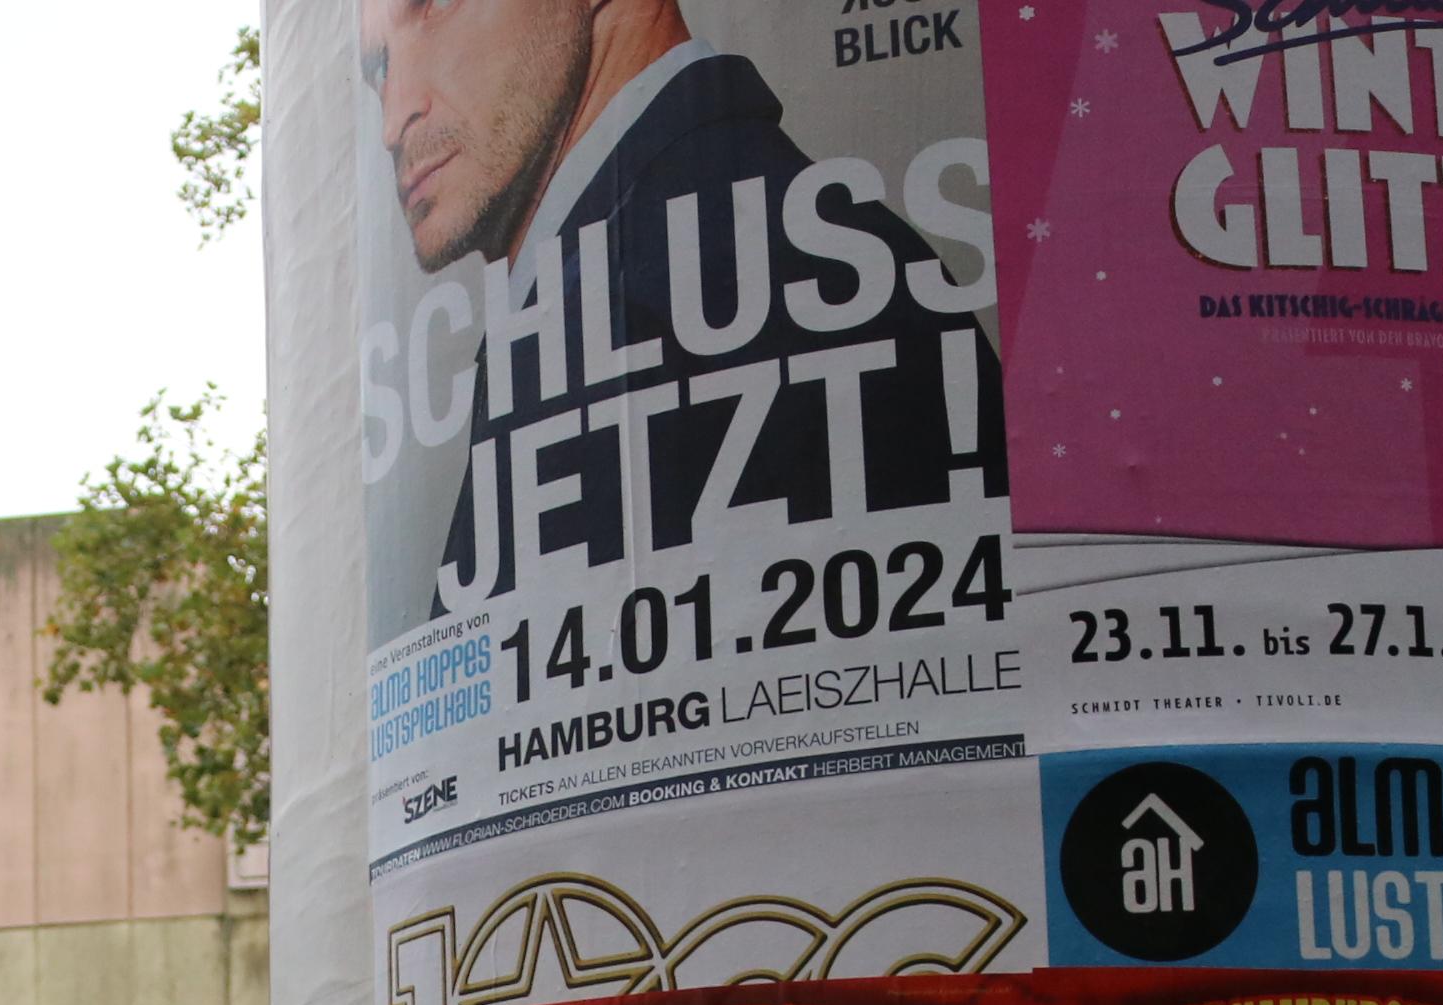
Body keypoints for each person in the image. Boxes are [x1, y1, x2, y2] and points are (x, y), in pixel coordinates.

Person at [364, 0, 995, 612]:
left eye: (437, 5)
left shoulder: (629, 297)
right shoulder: (787, 229)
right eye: (379, 66)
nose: (393, 123)